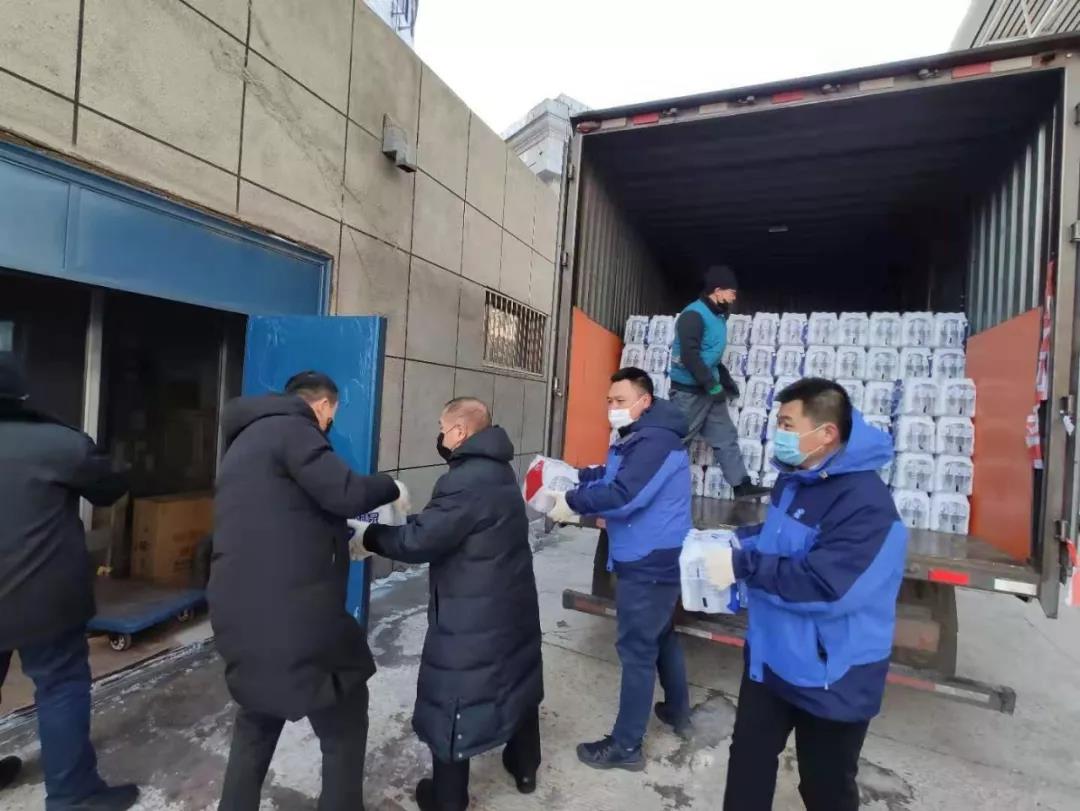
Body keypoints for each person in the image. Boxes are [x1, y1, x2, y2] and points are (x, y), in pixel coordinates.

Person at [704, 378, 908, 811]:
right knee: (748, 763)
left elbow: (827, 588)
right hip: (771, 654)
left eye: (786, 424)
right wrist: (737, 541)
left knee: (824, 785)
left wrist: (744, 565)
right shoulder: (795, 478)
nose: (777, 433)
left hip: (831, 671)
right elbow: (782, 538)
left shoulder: (866, 505)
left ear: (826, 433)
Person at [209, 371, 407, 811]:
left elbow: (284, 515)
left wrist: (336, 540)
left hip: (238, 615)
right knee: (345, 714)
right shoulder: (295, 429)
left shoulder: (243, 444)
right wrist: (392, 485)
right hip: (294, 623)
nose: (329, 424)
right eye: (332, 415)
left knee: (257, 718)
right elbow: (345, 492)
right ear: (322, 406)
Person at [360, 398, 543, 811]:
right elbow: (450, 526)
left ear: (459, 432)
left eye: (443, 427)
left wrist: (368, 536)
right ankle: (525, 766)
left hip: (471, 611)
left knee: (453, 696)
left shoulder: (463, 480)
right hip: (511, 602)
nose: (440, 435)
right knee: (517, 679)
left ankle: (448, 799)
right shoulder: (499, 470)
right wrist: (404, 524)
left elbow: (420, 541)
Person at [0, 354, 138, 811]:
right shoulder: (56, 443)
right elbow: (110, 487)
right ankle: (73, 795)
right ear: (21, 394)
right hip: (41, 598)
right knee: (59, 687)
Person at [546, 367, 693, 771]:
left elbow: (625, 495)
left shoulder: (656, 441)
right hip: (650, 554)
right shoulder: (639, 436)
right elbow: (614, 475)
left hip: (648, 560)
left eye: (621, 401)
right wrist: (576, 475)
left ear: (645, 401)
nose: (613, 407)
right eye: (609, 401)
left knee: (637, 650)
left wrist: (571, 502)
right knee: (659, 634)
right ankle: (678, 711)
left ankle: (626, 746)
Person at [669, 265, 770, 500]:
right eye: (731, 292)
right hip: (688, 393)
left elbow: (711, 354)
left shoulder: (718, 317)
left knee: (725, 436)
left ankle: (741, 486)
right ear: (717, 291)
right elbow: (690, 356)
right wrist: (711, 385)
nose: (734, 297)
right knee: (677, 440)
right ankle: (657, 485)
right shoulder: (693, 315)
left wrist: (723, 380)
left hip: (708, 390)